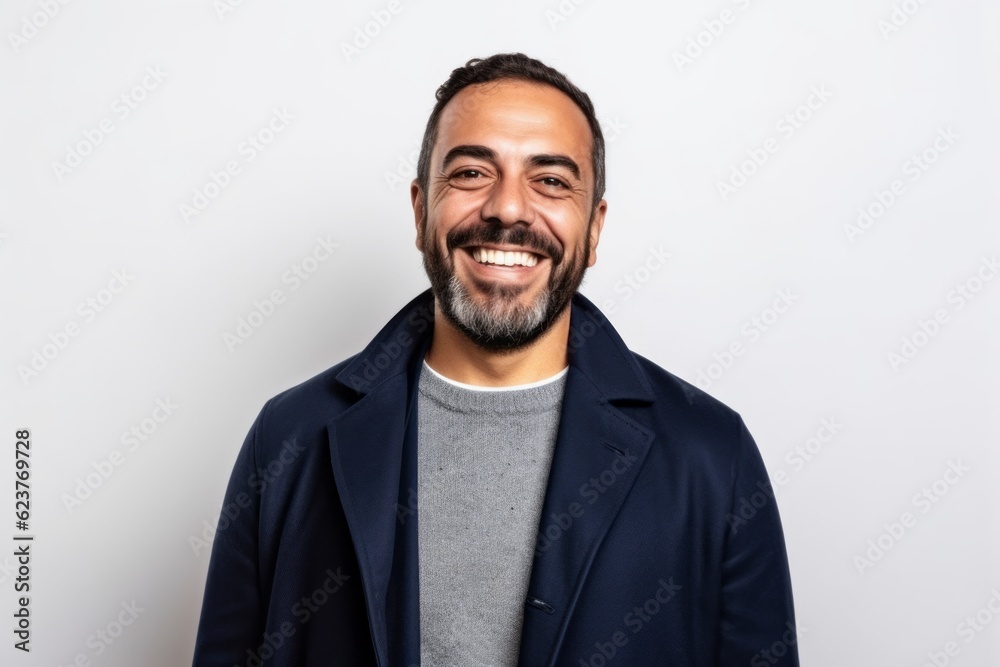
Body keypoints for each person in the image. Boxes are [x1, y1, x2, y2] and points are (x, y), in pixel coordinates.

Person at [192, 52, 799, 667]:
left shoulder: (711, 455)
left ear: (594, 229)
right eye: (472, 173)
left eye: (552, 181)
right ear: (421, 209)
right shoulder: (290, 439)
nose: (508, 208)